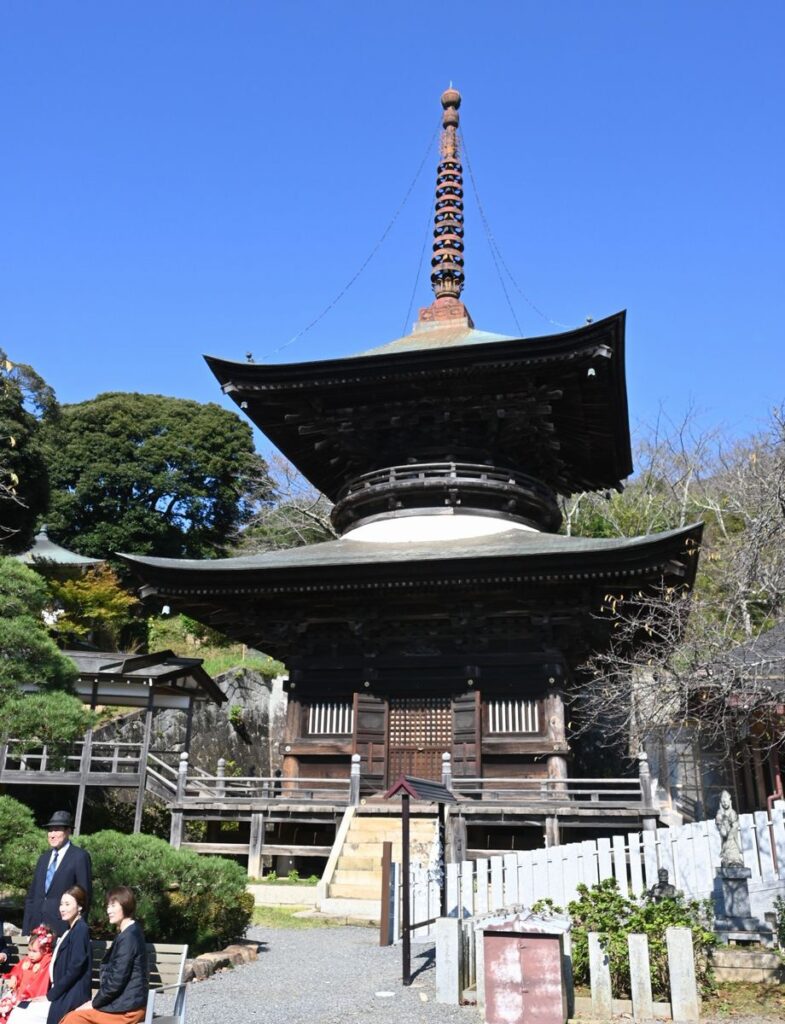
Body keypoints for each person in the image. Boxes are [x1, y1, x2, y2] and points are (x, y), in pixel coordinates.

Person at [61, 886, 148, 1024]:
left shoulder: (129, 937)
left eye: (113, 906)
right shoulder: (130, 932)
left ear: (125, 905)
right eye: (108, 906)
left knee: (74, 1019)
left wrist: (94, 1003)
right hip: (123, 1003)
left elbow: (116, 981)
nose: (108, 911)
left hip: (127, 1009)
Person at [8, 886, 91, 1024]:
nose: (62, 908)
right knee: (19, 1009)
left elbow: (75, 967)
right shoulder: (71, 930)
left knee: (20, 1014)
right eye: (61, 904)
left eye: (67, 904)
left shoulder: (80, 930)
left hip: (70, 997)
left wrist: (50, 996)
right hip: (59, 994)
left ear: (80, 906)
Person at [23, 813, 92, 937]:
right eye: (50, 830)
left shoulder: (79, 857)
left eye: (57, 830)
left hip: (63, 930)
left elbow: (85, 896)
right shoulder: (43, 859)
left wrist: (77, 931)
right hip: (36, 930)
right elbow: (32, 897)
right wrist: (26, 929)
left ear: (68, 831)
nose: (52, 834)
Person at [0, 928, 55, 1024]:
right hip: (18, 995)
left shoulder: (46, 962)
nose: (30, 954)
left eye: (34, 951)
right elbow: (17, 970)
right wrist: (14, 977)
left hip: (31, 999)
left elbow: (40, 985)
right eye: (29, 950)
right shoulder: (27, 960)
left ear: (45, 950)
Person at [715, 789, 744, 867]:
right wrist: (721, 828)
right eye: (723, 802)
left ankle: (736, 861)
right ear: (721, 803)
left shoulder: (732, 812)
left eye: (726, 801)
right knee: (727, 849)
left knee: (734, 848)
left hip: (732, 837)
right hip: (726, 837)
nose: (725, 803)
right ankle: (728, 861)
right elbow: (719, 823)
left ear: (729, 801)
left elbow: (735, 823)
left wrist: (733, 829)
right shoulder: (719, 813)